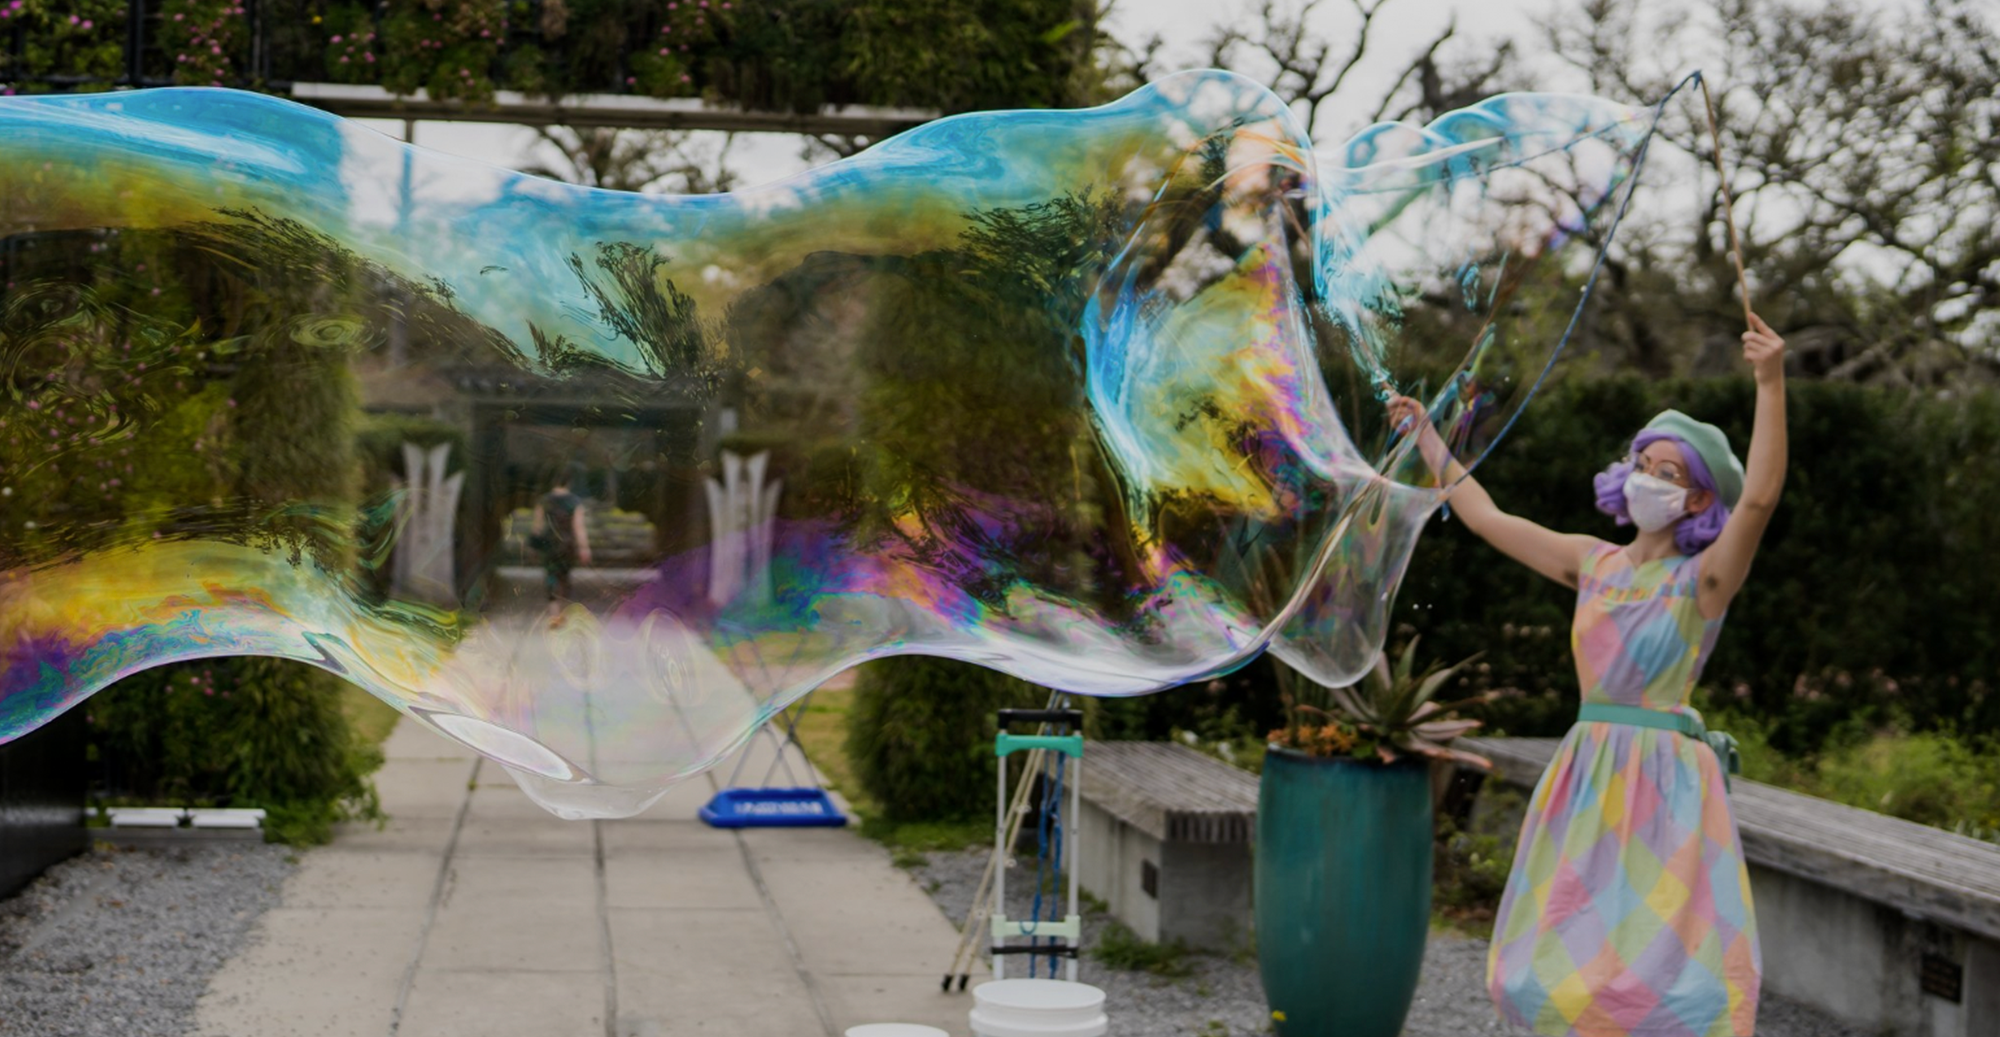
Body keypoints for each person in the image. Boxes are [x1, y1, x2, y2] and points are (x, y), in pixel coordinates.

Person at [1387, 312, 1787, 1037]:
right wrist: (1427, 437)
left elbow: (1759, 498)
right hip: (1587, 773)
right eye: (1643, 464)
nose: (1648, 480)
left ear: (1698, 500)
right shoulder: (1589, 560)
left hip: (1665, 783)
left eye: (1668, 474)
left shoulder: (1705, 580)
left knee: (1665, 969)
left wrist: (1770, 379)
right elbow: (1484, 515)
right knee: (1554, 960)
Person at [531, 464, 592, 604]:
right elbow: (578, 527)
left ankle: (553, 613)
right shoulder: (575, 502)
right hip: (567, 544)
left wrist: (534, 547)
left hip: (548, 543)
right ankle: (562, 612)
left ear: (552, 481)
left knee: (550, 575)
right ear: (569, 482)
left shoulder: (544, 501)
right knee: (564, 577)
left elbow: (537, 526)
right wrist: (584, 548)